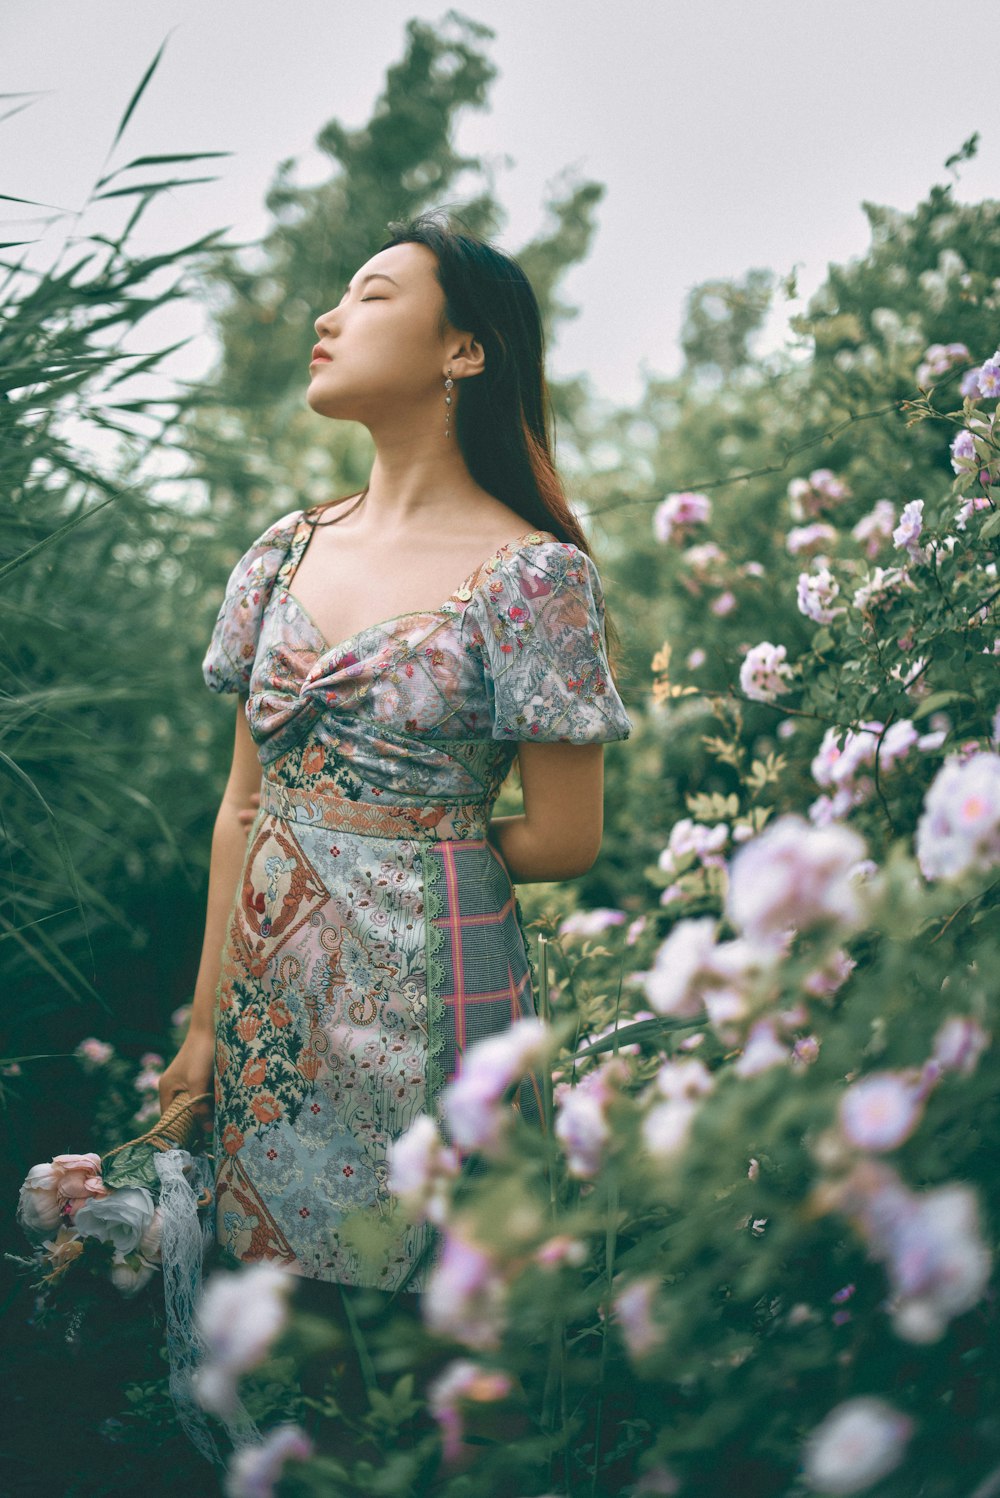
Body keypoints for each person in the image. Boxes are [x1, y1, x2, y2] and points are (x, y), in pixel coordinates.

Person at [158, 211, 632, 1308]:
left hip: (438, 995)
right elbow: (241, 808)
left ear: (464, 350)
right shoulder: (283, 552)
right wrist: (199, 1032)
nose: (328, 317)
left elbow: (566, 839)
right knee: (279, 1330)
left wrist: (399, 843)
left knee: (432, 1330)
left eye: (372, 296)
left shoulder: (532, 576)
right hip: (268, 1007)